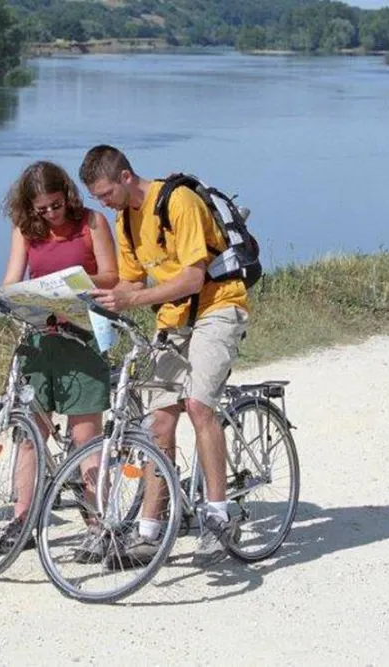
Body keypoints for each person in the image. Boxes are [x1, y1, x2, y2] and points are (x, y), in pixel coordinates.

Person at [79, 145, 250, 568]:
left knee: (197, 405)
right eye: (96, 198)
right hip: (174, 318)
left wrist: (135, 299)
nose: (102, 204)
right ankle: (150, 532)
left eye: (105, 194)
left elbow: (192, 278)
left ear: (124, 177)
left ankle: (218, 515)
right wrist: (97, 297)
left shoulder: (179, 201)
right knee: (159, 422)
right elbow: (130, 282)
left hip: (218, 307)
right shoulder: (126, 220)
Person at [0, 160, 119, 562]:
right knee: (29, 433)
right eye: (41, 209)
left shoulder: (92, 222)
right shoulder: (26, 230)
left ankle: (98, 524)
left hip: (83, 337)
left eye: (56, 205)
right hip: (42, 339)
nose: (51, 214)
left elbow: (112, 275)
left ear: (67, 195)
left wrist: (75, 283)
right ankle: (22, 520)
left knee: (85, 436)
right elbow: (11, 279)